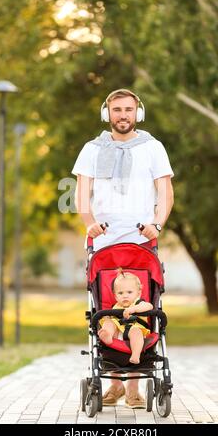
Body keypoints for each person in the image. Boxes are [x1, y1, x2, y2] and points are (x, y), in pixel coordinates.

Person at [72, 88, 174, 408]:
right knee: (108, 306)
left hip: (141, 240)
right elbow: (82, 191)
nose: (123, 115)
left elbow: (165, 190)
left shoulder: (153, 148)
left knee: (140, 307)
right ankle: (114, 386)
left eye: (128, 109)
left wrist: (156, 224)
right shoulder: (91, 149)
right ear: (107, 114)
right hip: (104, 241)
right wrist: (89, 221)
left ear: (137, 113)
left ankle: (133, 390)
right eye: (117, 110)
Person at [98, 268, 153, 365]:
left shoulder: (139, 303)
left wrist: (134, 309)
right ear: (115, 296)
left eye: (129, 292)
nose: (125, 296)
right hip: (117, 334)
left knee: (136, 332)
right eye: (120, 293)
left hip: (135, 329)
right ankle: (107, 336)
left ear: (138, 293)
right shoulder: (116, 307)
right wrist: (106, 318)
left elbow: (149, 306)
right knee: (109, 323)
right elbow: (109, 318)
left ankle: (136, 355)